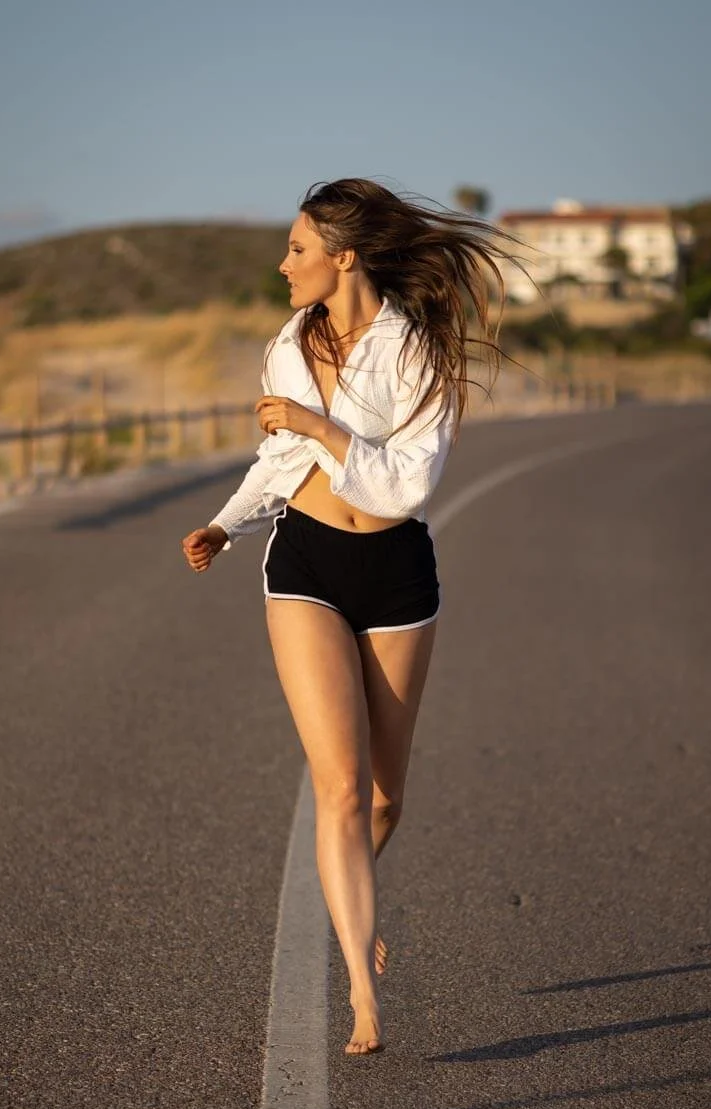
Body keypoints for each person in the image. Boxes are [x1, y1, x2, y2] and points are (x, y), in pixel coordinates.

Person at [181, 177, 520, 1055]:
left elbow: (406, 485)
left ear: (344, 255)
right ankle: (364, 998)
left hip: (398, 574)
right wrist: (228, 521)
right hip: (306, 564)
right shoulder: (286, 349)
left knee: (380, 798)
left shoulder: (416, 354)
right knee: (335, 787)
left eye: (296, 248)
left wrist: (320, 427)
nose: (282, 263)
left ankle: (356, 896)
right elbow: (279, 455)